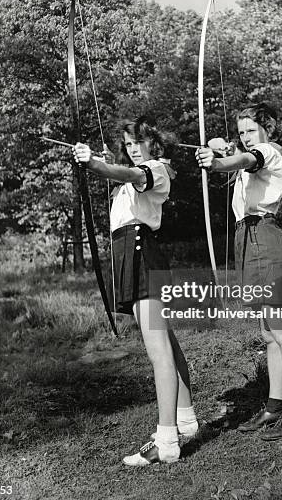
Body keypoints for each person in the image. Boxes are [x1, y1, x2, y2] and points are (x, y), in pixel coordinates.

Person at [72, 117, 198, 466]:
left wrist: (96, 165)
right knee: (167, 342)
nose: (132, 148)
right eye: (128, 143)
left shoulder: (155, 169)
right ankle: (185, 420)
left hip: (142, 254)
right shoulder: (139, 172)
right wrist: (101, 165)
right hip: (136, 254)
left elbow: (129, 174)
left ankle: (167, 439)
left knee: (158, 350)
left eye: (138, 141)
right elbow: (123, 176)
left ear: (152, 143)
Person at [196, 102, 282, 440]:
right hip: (249, 240)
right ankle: (275, 408)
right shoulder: (253, 153)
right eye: (242, 131)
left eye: (251, 130)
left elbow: (246, 159)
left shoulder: (270, 151)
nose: (246, 137)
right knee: (269, 333)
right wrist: (220, 147)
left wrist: (217, 162)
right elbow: (239, 156)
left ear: (267, 129)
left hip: (263, 238)